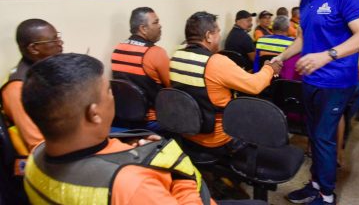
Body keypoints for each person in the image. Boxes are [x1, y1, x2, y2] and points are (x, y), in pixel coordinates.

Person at [22, 53, 216, 205]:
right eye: (108, 90)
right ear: (94, 113)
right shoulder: (130, 185)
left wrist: (129, 151)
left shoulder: (34, 159)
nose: (113, 95)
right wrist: (179, 176)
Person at [272, 0, 359, 205]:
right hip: (311, 80)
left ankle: (326, 196)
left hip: (337, 81)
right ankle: (315, 184)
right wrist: (281, 57)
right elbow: (302, 39)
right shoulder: (306, 1)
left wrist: (327, 55)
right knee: (314, 135)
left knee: (325, 137)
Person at [170, 11, 281, 153]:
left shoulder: (176, 57)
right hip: (217, 139)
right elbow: (255, 86)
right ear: (209, 36)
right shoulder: (215, 62)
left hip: (186, 132)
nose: (220, 36)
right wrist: (269, 68)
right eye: (218, 32)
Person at [0, 18, 63, 153]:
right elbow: (36, 143)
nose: (60, 44)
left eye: (58, 38)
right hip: (40, 161)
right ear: (34, 48)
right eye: (53, 40)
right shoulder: (18, 88)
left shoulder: (41, 73)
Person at [111, 7, 170, 131]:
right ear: (143, 29)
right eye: (155, 22)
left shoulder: (117, 50)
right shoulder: (155, 53)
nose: (160, 26)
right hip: (152, 121)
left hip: (123, 119)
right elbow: (172, 88)